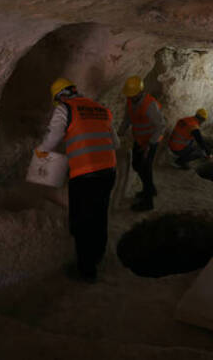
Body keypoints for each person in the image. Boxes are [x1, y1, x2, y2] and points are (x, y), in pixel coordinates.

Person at [35, 78, 118, 281]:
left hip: (85, 173)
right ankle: (98, 256)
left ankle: (86, 270)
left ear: (60, 96)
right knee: (99, 214)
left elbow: (53, 139)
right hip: (109, 170)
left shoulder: (65, 109)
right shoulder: (101, 109)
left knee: (83, 221)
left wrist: (41, 152)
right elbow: (116, 142)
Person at [118, 75, 165, 212]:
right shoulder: (130, 101)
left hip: (151, 141)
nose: (131, 97)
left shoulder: (150, 104)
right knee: (137, 165)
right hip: (139, 139)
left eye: (133, 95)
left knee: (145, 168)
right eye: (129, 95)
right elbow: (128, 118)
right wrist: (119, 132)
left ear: (140, 92)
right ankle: (150, 189)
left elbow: (161, 126)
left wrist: (150, 145)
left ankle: (148, 201)